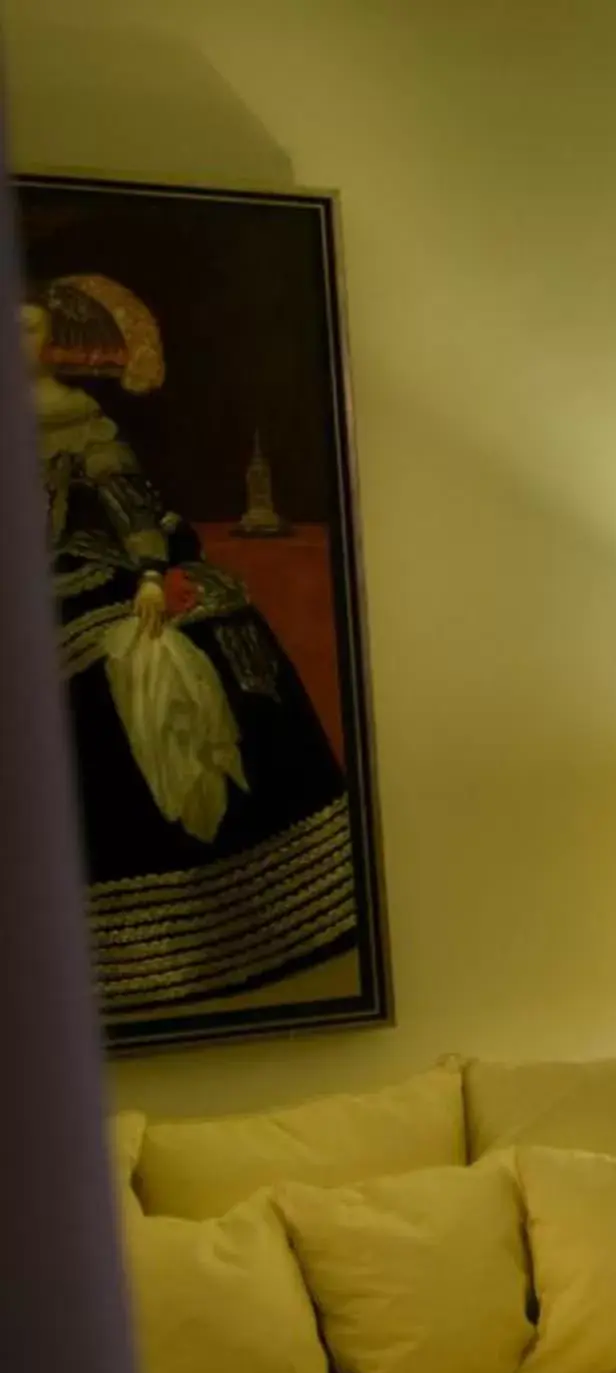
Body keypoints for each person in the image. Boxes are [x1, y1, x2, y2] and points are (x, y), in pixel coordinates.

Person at [28, 277, 358, 1015]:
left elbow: (128, 504)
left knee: (205, 614)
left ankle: (255, 894)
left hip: (73, 564)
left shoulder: (77, 415)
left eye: (28, 330)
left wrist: (149, 571)